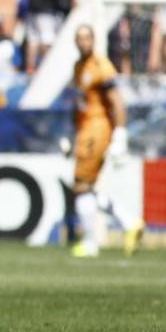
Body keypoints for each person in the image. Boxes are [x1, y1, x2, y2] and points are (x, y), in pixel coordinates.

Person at [66, 26, 144, 257]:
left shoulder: (102, 66)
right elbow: (78, 105)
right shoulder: (78, 67)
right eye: (79, 38)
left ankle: (92, 241)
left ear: (94, 39)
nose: (83, 42)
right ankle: (129, 223)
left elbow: (117, 102)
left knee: (81, 186)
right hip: (85, 131)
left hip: (97, 130)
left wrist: (120, 133)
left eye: (87, 38)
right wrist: (72, 136)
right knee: (85, 187)